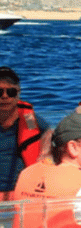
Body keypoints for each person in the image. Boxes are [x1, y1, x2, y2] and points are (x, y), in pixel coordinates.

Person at [0, 66, 52, 200]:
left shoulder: (28, 119)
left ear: (18, 94)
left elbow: (49, 132)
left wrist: (44, 152)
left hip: (21, 191)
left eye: (11, 92)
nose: (5, 96)